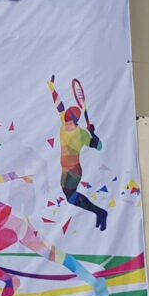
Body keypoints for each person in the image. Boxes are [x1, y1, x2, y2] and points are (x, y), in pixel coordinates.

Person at [48, 76, 108, 231]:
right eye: (66, 117)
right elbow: (59, 105)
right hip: (65, 169)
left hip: (74, 170)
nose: (66, 120)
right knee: (69, 196)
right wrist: (52, 88)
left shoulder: (81, 133)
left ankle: (100, 213)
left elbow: (99, 146)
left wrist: (93, 134)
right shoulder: (65, 123)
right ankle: (99, 212)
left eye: (69, 118)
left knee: (71, 196)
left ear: (74, 120)